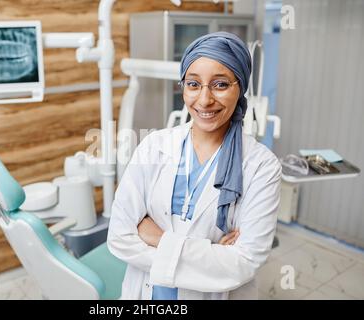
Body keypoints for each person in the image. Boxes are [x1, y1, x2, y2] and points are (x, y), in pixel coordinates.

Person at [107, 32, 282, 300]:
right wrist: (210, 253)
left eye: (220, 84)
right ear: (183, 87)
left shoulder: (262, 166)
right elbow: (119, 237)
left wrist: (158, 239)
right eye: (193, 84)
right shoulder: (154, 146)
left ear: (240, 88)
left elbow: (244, 262)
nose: (204, 100)